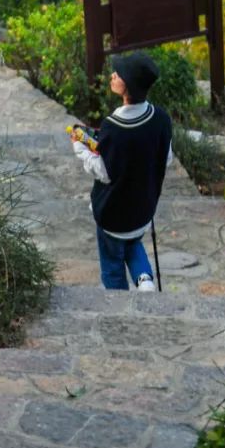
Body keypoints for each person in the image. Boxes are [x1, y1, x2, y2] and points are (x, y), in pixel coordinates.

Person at [71, 52, 172, 293]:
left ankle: (119, 305)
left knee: (113, 265)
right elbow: (165, 158)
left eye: (119, 74)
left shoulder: (114, 127)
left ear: (128, 86)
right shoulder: (161, 119)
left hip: (113, 214)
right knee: (132, 242)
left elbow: (104, 173)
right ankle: (144, 279)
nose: (113, 75)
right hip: (143, 208)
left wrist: (79, 147)